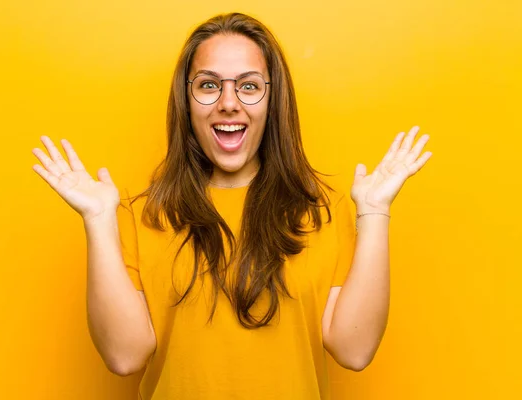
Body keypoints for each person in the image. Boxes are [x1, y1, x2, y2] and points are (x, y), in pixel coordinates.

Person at [31, 12, 432, 400]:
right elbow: (124, 355)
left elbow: (354, 350)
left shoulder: (320, 213)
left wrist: (375, 213)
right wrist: (98, 220)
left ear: (272, 100)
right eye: (208, 85)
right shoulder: (141, 216)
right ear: (186, 100)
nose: (228, 103)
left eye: (249, 86)